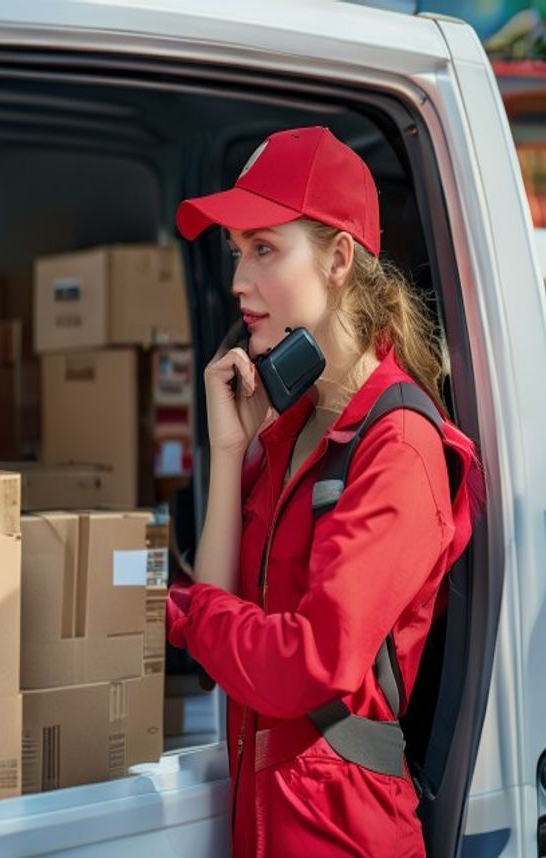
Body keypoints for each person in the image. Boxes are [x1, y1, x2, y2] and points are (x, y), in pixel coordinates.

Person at [166, 126, 484, 858]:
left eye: (265, 250)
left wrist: (184, 617)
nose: (238, 282)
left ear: (340, 258)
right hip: (263, 823)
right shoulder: (291, 428)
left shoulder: (398, 446)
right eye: (236, 254)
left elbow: (313, 661)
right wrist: (228, 450)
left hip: (341, 836)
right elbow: (228, 612)